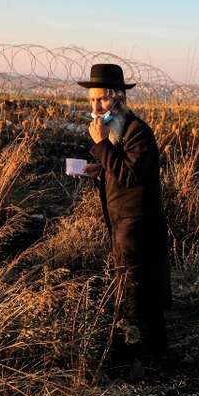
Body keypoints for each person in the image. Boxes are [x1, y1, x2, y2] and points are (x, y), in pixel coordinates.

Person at [77, 64, 171, 374]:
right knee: (132, 287)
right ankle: (152, 353)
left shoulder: (136, 131)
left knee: (136, 290)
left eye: (101, 100)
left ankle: (141, 358)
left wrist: (101, 146)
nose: (95, 107)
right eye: (91, 101)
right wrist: (99, 171)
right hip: (122, 223)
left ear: (118, 98)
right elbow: (118, 170)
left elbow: (131, 176)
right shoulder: (117, 133)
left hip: (138, 225)